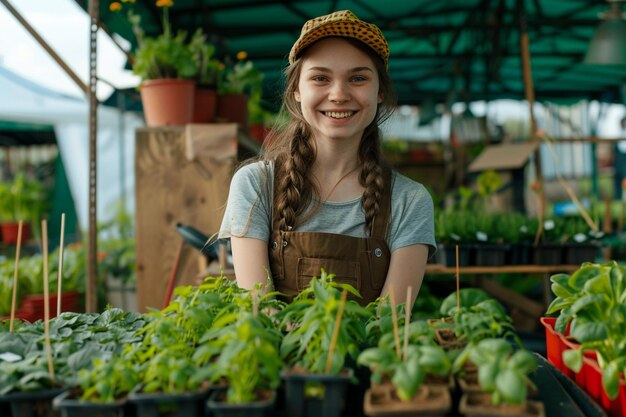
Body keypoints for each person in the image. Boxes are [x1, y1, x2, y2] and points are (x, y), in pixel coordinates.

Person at [218, 10, 436, 306]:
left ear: (380, 91)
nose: (338, 94)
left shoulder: (409, 200)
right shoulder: (256, 186)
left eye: (358, 78)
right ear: (296, 89)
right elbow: (259, 312)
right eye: (320, 77)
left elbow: (391, 325)